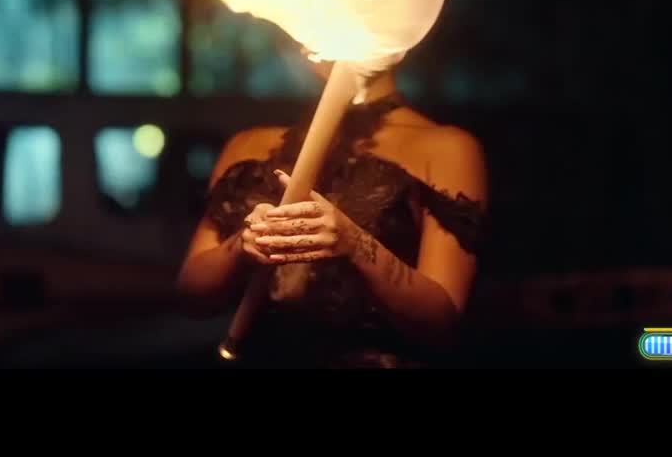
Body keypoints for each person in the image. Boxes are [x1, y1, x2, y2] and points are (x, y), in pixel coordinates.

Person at [175, 58, 489, 368]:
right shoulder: (249, 143)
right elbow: (192, 298)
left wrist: (355, 244)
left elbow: (441, 324)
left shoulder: (445, 147)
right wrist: (243, 244)